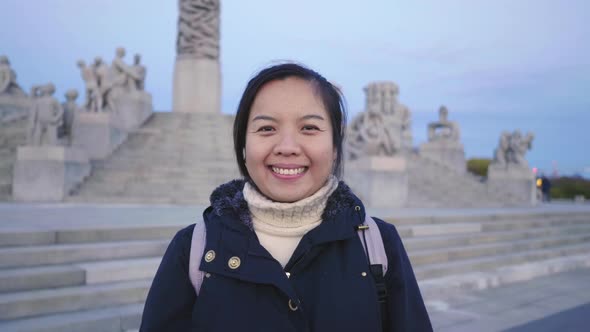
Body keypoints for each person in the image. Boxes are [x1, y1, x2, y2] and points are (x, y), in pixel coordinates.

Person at [140, 63, 432, 331]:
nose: (288, 147)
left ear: (334, 146)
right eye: (267, 128)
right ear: (243, 145)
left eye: (309, 128)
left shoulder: (380, 243)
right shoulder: (191, 249)